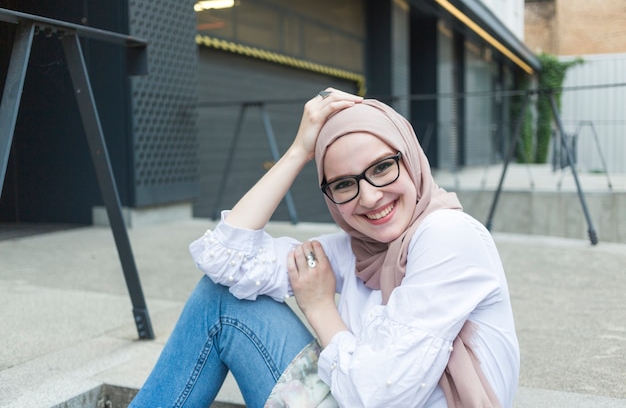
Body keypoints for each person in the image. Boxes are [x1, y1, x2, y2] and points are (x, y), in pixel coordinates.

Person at [129, 88, 519, 408]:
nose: (368, 197)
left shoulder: (447, 235)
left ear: (411, 157)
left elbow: (379, 394)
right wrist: (299, 150)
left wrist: (319, 306)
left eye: (382, 167)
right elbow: (224, 257)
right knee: (220, 297)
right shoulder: (356, 251)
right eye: (345, 184)